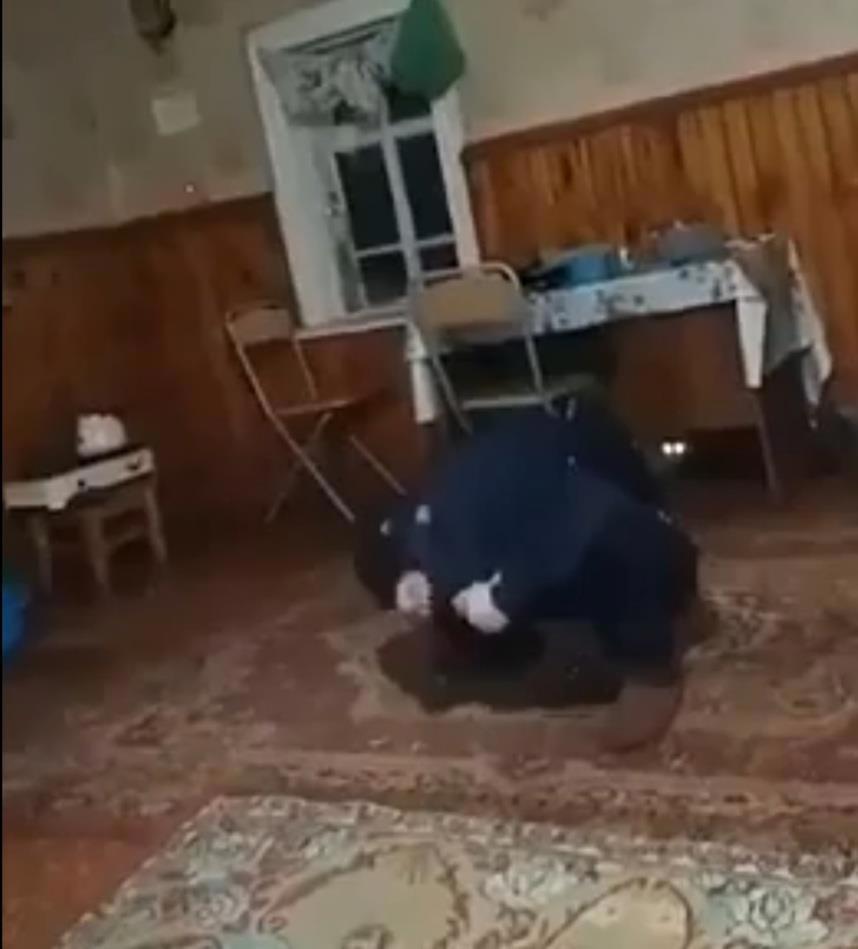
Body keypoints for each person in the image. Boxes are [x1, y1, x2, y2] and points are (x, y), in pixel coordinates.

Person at [354, 396, 699, 751]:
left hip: (618, 510)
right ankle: (496, 634)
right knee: (485, 586)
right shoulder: (425, 521)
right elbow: (400, 543)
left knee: (609, 545)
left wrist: (508, 591)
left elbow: (583, 509)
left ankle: (648, 668)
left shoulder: (474, 501)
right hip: (536, 492)